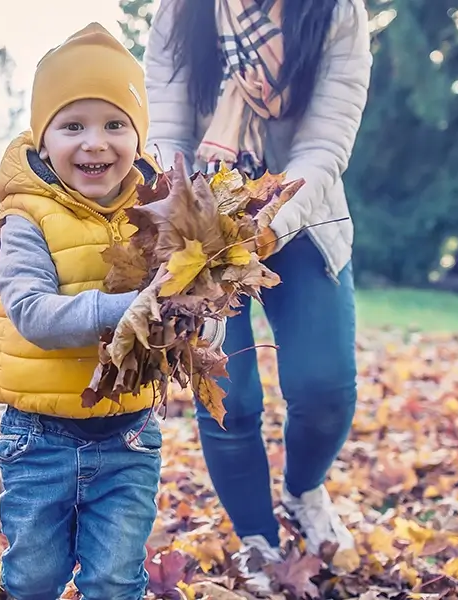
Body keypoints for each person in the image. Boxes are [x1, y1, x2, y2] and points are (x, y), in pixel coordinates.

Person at [143, 0, 373, 591]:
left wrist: (267, 221)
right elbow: (166, 130)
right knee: (230, 398)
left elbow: (325, 146)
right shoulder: (182, 13)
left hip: (302, 219)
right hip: (199, 224)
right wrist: (189, 215)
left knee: (325, 388)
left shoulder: (334, 14)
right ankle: (256, 540)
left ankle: (303, 490)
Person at [0, 22, 218, 599]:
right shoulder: (25, 220)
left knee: (115, 579)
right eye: (73, 126)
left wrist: (195, 316)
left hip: (128, 437)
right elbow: (34, 314)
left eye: (116, 124)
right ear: (44, 142)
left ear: (138, 138)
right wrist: (135, 305)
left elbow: (188, 304)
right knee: (33, 577)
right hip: (39, 438)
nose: (95, 142)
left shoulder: (160, 212)